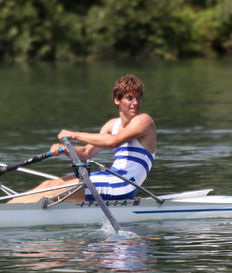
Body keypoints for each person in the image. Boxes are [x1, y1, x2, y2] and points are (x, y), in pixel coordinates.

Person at [9, 74, 156, 203]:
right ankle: (3, 210)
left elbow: (113, 142)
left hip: (124, 184)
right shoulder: (112, 125)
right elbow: (86, 154)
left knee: (54, 191)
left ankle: (8, 217)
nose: (136, 103)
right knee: (49, 184)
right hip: (110, 177)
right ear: (117, 100)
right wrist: (65, 150)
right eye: (130, 98)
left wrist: (74, 135)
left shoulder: (144, 121)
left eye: (138, 98)